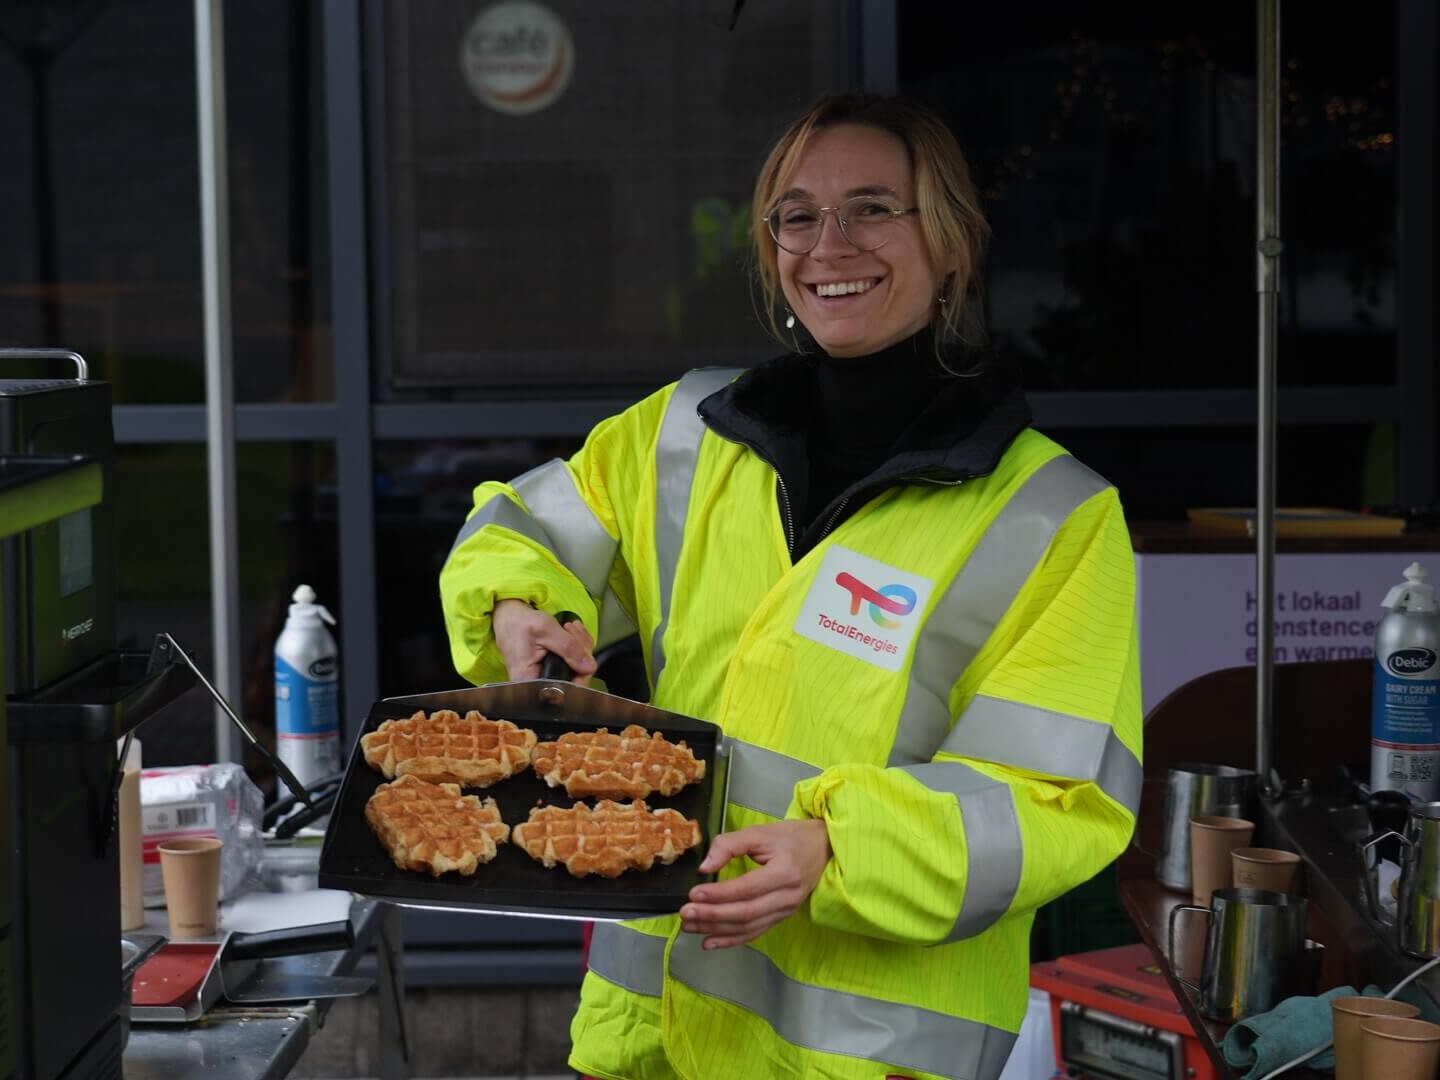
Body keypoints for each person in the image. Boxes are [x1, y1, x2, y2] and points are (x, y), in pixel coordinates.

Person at [440, 91, 1142, 1080]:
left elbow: (1054, 802)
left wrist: (835, 850)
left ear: (950, 246)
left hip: (871, 1057)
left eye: (871, 208)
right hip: (653, 1039)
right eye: (797, 216)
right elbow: (518, 530)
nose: (829, 244)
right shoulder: (686, 433)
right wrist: (522, 613)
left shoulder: (1052, 516)